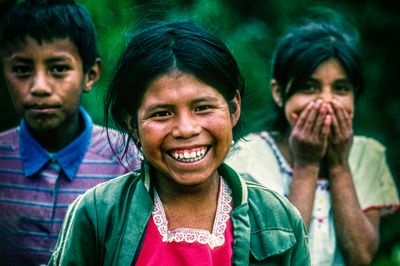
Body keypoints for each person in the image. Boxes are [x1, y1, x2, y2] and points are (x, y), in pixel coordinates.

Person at [48, 21, 310, 265]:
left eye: (203, 107)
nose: (186, 129)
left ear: (234, 109)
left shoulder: (278, 218)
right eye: (162, 113)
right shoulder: (97, 214)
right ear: (132, 124)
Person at [226, 14, 400, 266]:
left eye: (340, 89)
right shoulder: (250, 158)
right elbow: (281, 256)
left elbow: (360, 257)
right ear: (279, 93)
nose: (325, 101)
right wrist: (306, 164)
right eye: (309, 87)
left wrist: (339, 165)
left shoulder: (367, 156)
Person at [0, 1, 140, 265]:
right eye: (21, 70)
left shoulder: (125, 157)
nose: (39, 87)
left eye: (59, 69)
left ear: (90, 74)